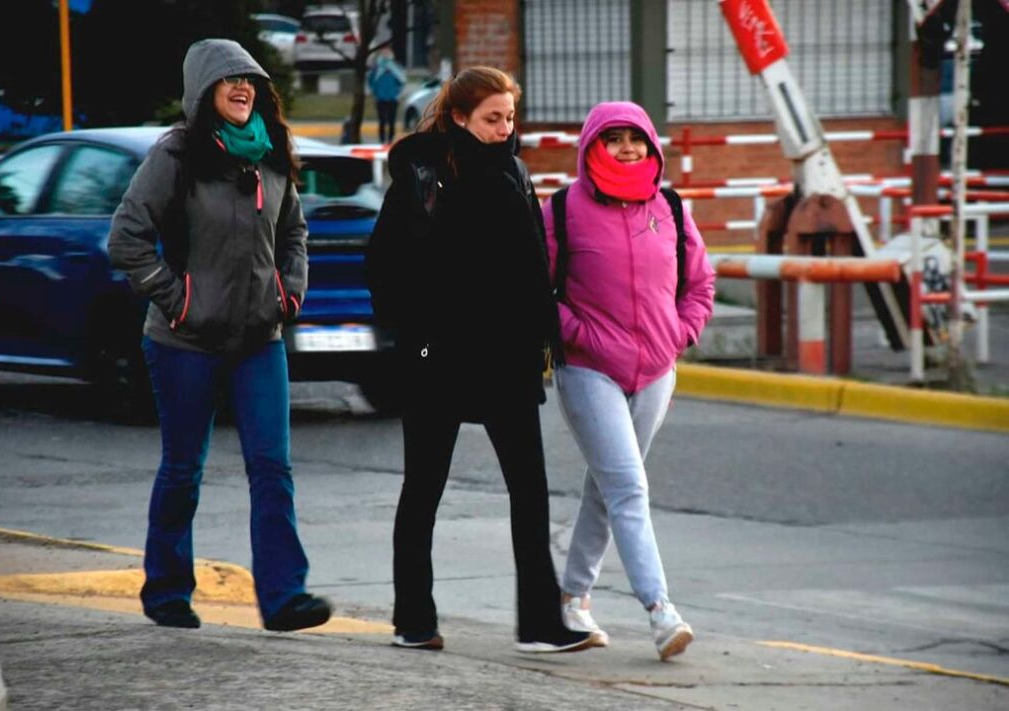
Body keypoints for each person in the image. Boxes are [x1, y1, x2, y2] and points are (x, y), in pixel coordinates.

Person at [365, 66, 592, 654]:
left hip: (507, 362)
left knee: (531, 490)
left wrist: (540, 337)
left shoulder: (514, 170)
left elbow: (530, 263)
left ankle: (538, 624)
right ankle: (412, 621)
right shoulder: (425, 175)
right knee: (424, 489)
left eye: (510, 117)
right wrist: (417, 343)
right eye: (493, 118)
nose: (504, 128)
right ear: (460, 117)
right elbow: (384, 268)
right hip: (436, 361)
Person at [108, 38, 332, 633]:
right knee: (184, 468)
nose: (244, 88)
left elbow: (294, 234)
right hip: (184, 342)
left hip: (260, 339)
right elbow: (126, 237)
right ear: (203, 90)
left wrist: (290, 294)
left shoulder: (271, 152)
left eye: (251, 80)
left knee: (272, 468)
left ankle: (285, 599)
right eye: (230, 80)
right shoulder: (177, 155)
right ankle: (166, 590)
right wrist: (179, 300)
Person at [542, 101, 715, 661]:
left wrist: (678, 336)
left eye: (635, 139)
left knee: (610, 485)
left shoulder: (670, 207)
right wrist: (579, 334)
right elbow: (533, 291)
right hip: (589, 369)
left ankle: (572, 597)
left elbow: (699, 284)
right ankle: (661, 611)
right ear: (592, 145)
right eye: (613, 138)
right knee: (628, 488)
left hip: (657, 371)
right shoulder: (564, 209)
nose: (626, 149)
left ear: (651, 146)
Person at [367, 47, 406, 143]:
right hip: (380, 99)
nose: (386, 55)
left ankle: (390, 141)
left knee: (392, 122)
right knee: (382, 121)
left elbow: (402, 81)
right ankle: (382, 141)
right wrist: (375, 92)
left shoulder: (396, 67)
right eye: (384, 53)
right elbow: (371, 81)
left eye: (387, 52)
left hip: (393, 99)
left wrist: (397, 94)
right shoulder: (377, 68)